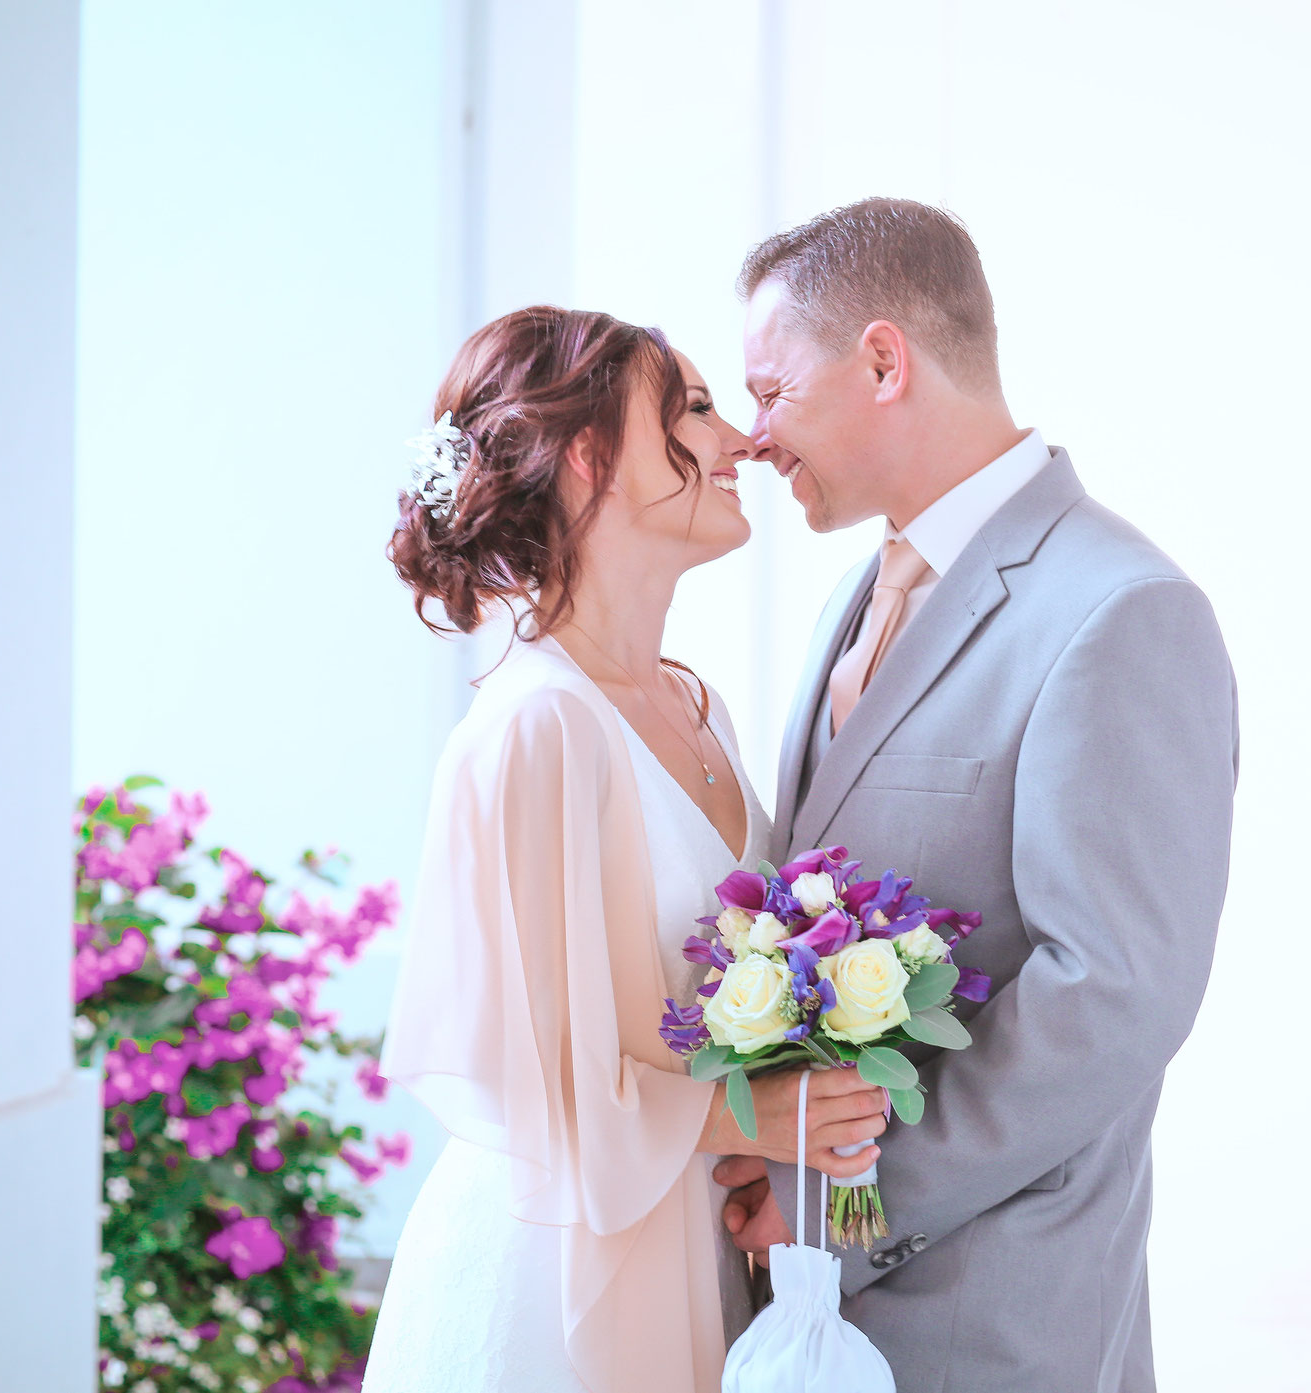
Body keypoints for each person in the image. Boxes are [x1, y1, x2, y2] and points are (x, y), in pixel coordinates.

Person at [713, 198, 1241, 1392]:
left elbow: (1110, 994)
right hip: (812, 1314)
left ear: (883, 359)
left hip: (993, 1319)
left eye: (770, 392)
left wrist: (836, 1201)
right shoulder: (855, 593)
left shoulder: (1118, 610)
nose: (754, 438)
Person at [364, 305, 889, 1393]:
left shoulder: (696, 708)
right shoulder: (537, 728)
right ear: (591, 456)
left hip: (682, 1227)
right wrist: (761, 1112)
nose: (741, 440)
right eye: (693, 410)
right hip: (554, 1264)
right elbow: (538, 1089)